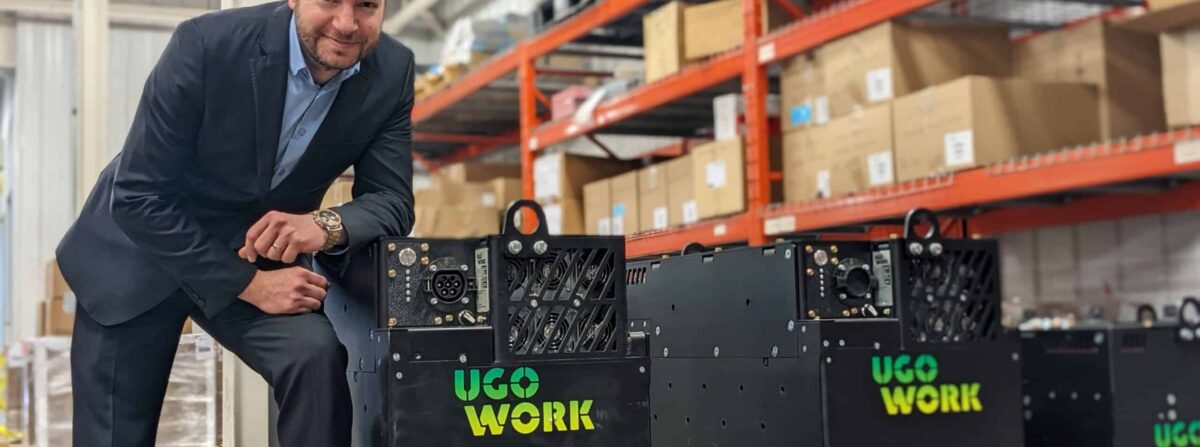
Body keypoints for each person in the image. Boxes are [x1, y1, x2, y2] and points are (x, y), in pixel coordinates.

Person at [55, 0, 414, 445]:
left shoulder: (392, 70)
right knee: (114, 436)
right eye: (329, 1)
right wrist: (248, 284)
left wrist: (324, 224)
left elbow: (391, 199)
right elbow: (136, 196)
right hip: (141, 250)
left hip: (258, 253)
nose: (346, 23)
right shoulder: (205, 44)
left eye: (366, 6)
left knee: (314, 357)